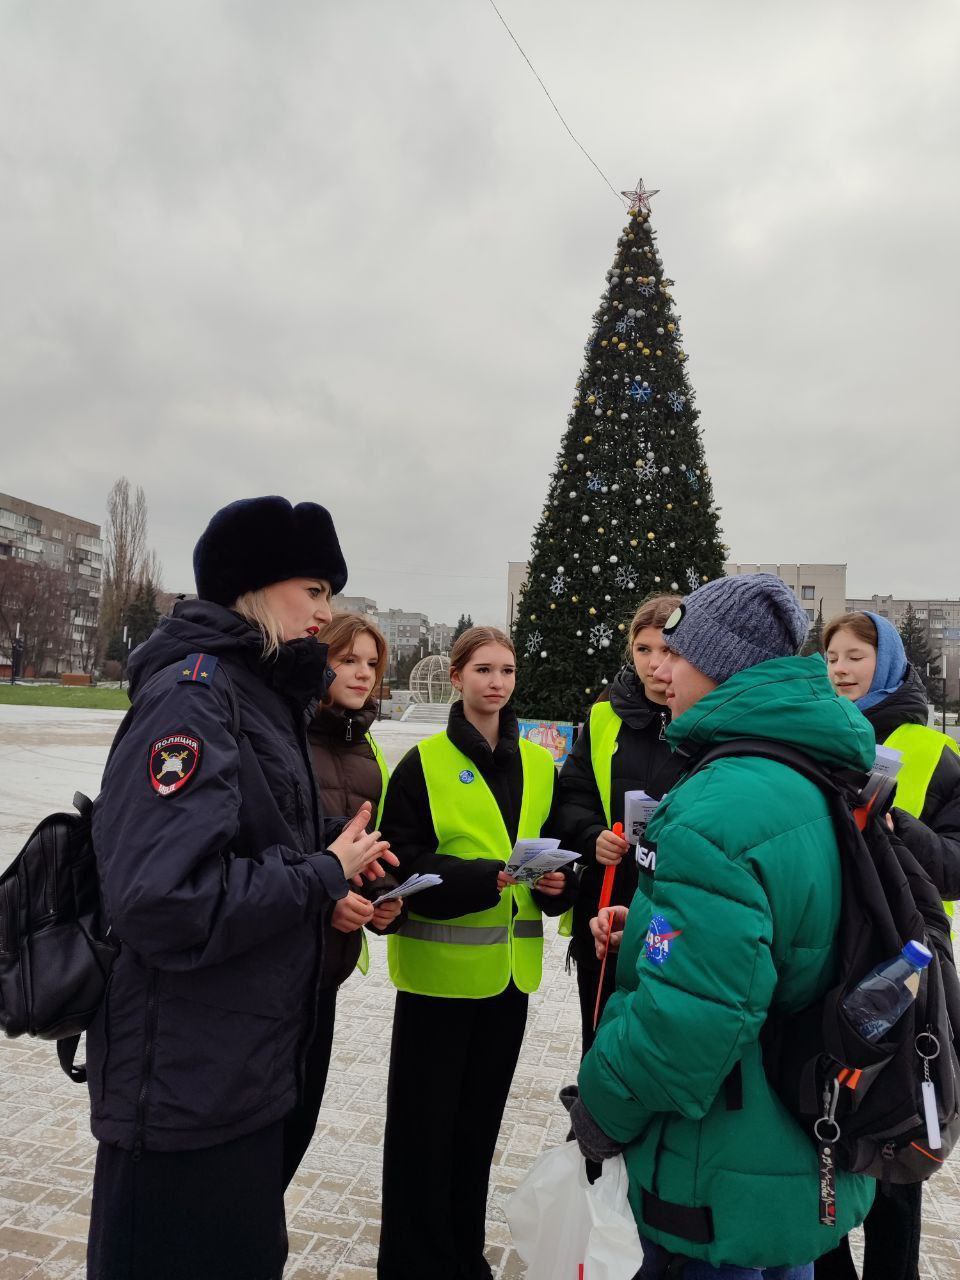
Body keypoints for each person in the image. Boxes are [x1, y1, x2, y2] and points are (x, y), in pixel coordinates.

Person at [85, 496, 397, 1280]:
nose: (326, 615)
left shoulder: (260, 693)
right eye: (315, 593)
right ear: (255, 589)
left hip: (244, 1070)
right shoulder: (195, 696)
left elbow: (251, 844)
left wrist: (330, 859)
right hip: (185, 1089)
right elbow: (164, 899)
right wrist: (322, 873)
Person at [566, 573, 876, 1278]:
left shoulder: (721, 804)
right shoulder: (814, 772)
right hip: (792, 1161)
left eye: (677, 652)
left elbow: (691, 1025)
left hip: (716, 1173)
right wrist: (651, 928)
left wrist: (602, 1110)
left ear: (723, 664)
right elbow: (774, 939)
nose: (658, 668)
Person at [376, 626, 576, 1280]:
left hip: (508, 983)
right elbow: (399, 863)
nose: (497, 682)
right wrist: (478, 878)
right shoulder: (424, 762)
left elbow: (552, 862)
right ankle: (412, 1265)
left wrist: (555, 886)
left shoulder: (541, 765)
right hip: (437, 980)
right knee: (420, 1138)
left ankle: (462, 1259)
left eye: (507, 670)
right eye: (484, 669)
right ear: (456, 677)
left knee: (474, 1136)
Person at [817, 610, 960, 1280]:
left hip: (906, 975)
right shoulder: (815, 736)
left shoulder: (930, 751)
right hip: (829, 961)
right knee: (825, 1146)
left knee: (896, 1162)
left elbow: (957, 862)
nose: (841, 669)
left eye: (855, 656)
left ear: (891, 661)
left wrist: (902, 829)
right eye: (832, 658)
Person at [282, 611, 402, 1187]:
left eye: (372, 663)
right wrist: (327, 896)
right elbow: (276, 847)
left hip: (330, 968)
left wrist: (381, 899)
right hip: (279, 967)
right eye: (347, 660)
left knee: (298, 1127)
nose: (362, 674)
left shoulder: (365, 745)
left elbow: (366, 840)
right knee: (267, 1139)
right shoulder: (287, 735)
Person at [557, 593, 683, 1055]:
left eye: (667, 650)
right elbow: (572, 792)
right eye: (644, 650)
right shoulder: (603, 715)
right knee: (602, 1031)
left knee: (661, 1034)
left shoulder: (706, 718)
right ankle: (596, 1121)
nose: (655, 664)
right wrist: (593, 838)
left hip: (675, 904)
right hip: (606, 901)